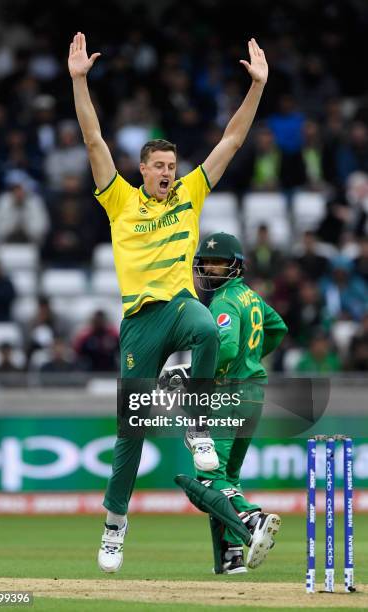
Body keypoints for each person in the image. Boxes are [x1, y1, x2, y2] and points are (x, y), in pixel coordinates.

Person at [68, 31, 269, 573]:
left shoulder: (190, 195)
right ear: (144, 170)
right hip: (139, 324)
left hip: (179, 309)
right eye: (159, 167)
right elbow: (93, 141)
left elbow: (230, 140)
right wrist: (79, 80)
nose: (168, 174)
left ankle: (196, 420)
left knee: (205, 326)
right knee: (129, 433)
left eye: (172, 167)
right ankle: (114, 529)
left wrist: (257, 89)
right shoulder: (120, 200)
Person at [192, 231, 288, 573]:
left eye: (219, 263)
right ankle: (231, 557)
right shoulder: (252, 297)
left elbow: (228, 347)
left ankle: (251, 518)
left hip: (228, 392)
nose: (211, 269)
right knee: (228, 475)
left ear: (236, 266)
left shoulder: (222, 302)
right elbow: (277, 328)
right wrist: (253, 359)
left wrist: (199, 373)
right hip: (254, 392)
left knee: (208, 477)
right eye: (207, 262)